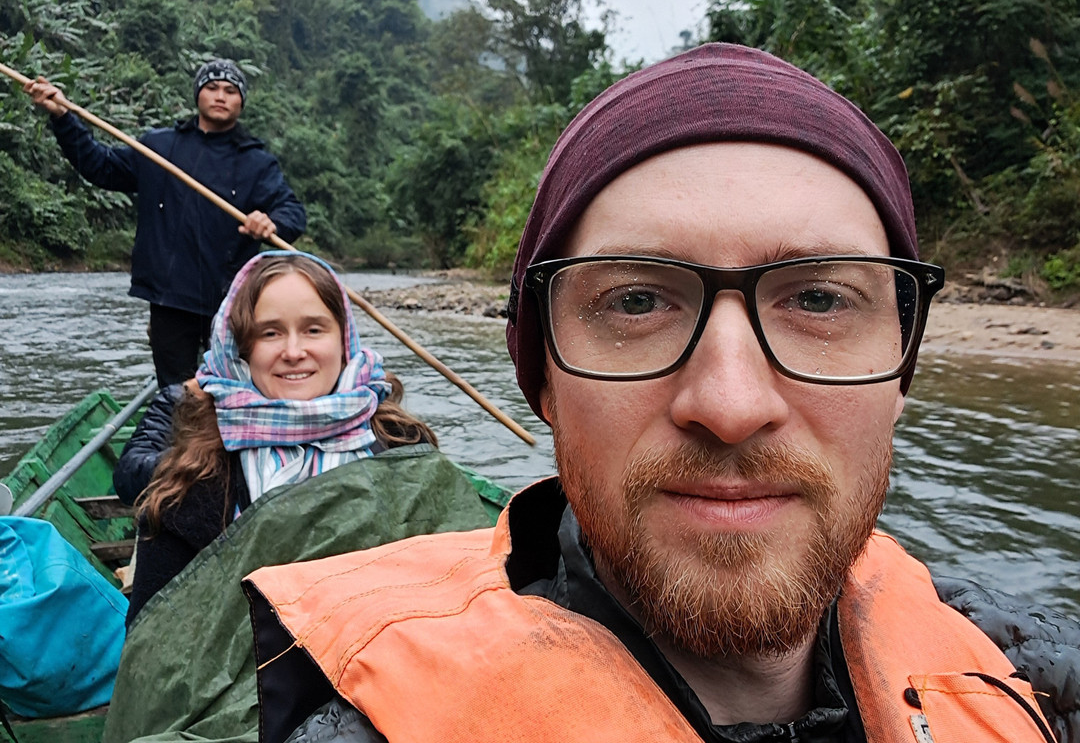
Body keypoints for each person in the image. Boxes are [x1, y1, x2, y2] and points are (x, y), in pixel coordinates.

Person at [242, 44, 1080, 743]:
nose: (731, 405)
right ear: (542, 378)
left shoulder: (1031, 678)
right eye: (637, 302)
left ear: (900, 371)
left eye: (820, 300)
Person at [123, 250, 435, 623]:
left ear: (343, 341)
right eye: (270, 333)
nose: (293, 352)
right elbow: (154, 639)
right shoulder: (189, 486)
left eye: (314, 329)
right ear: (241, 350)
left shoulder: (403, 447)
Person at [24, 60, 307, 387]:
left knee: (236, 386)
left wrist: (271, 223)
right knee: (175, 393)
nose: (220, 96)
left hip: (231, 301)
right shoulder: (158, 147)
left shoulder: (256, 162)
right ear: (198, 94)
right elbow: (101, 167)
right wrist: (62, 117)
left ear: (241, 102)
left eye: (230, 91)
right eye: (212, 88)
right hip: (169, 298)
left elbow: (292, 211)